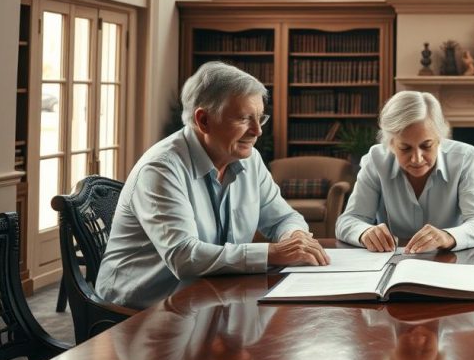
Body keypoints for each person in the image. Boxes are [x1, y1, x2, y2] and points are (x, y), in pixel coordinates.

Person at [96, 62, 328, 310]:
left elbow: (284, 218)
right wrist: (273, 253)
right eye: (244, 118)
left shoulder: (250, 160)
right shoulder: (161, 169)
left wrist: (295, 237)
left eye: (260, 118)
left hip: (208, 299)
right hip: (139, 312)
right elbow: (184, 256)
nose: (257, 131)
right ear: (204, 120)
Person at [336, 91, 474, 253]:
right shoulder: (376, 159)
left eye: (426, 146)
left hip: (449, 260)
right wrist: (365, 232)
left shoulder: (464, 158)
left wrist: (447, 236)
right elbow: (348, 221)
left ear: (439, 139)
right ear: (390, 144)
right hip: (391, 259)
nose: (417, 159)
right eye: (405, 148)